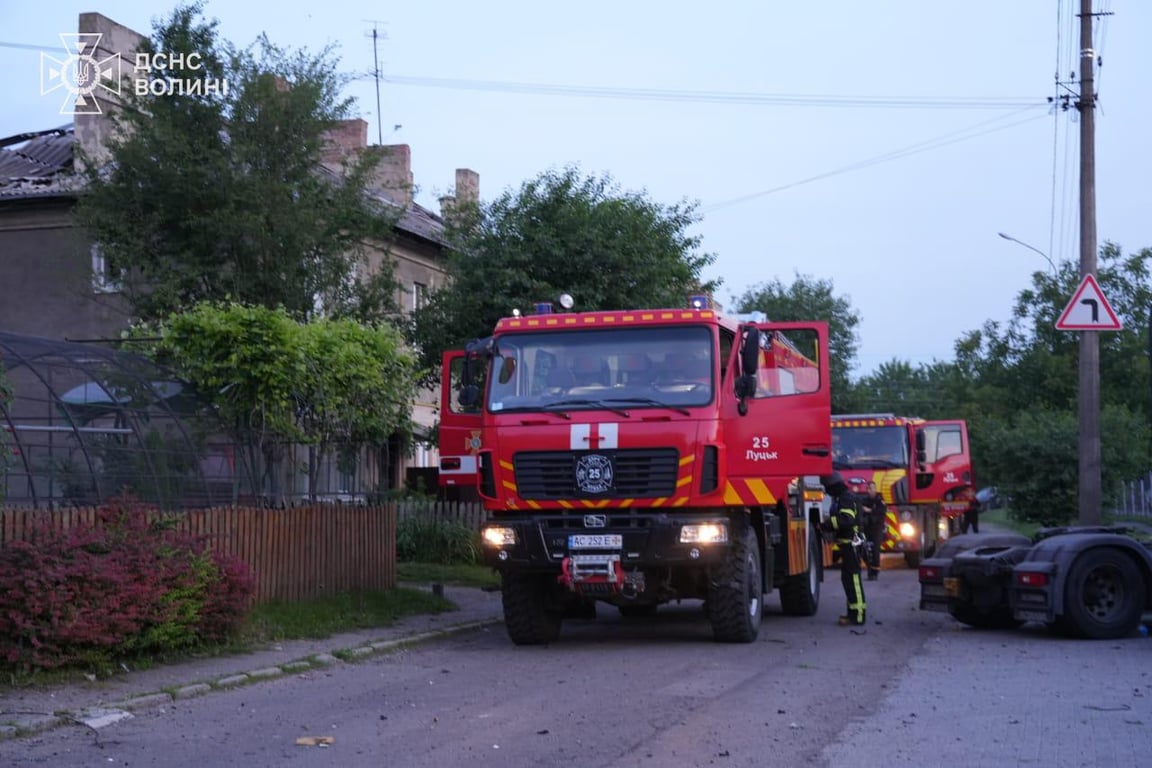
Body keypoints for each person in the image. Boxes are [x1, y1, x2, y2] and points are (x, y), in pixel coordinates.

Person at [821, 475, 867, 626]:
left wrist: (826, 524)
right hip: (849, 544)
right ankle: (852, 613)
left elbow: (846, 520)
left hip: (851, 544)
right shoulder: (845, 497)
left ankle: (858, 615)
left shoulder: (846, 499)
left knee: (853, 579)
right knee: (848, 579)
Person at [858, 481, 887, 581]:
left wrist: (869, 511)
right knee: (864, 550)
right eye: (868, 488)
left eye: (871, 488)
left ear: (875, 489)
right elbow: (860, 510)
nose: (869, 490)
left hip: (876, 529)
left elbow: (881, 512)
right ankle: (870, 569)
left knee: (875, 551)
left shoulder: (880, 500)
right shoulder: (864, 500)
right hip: (866, 528)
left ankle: (875, 572)